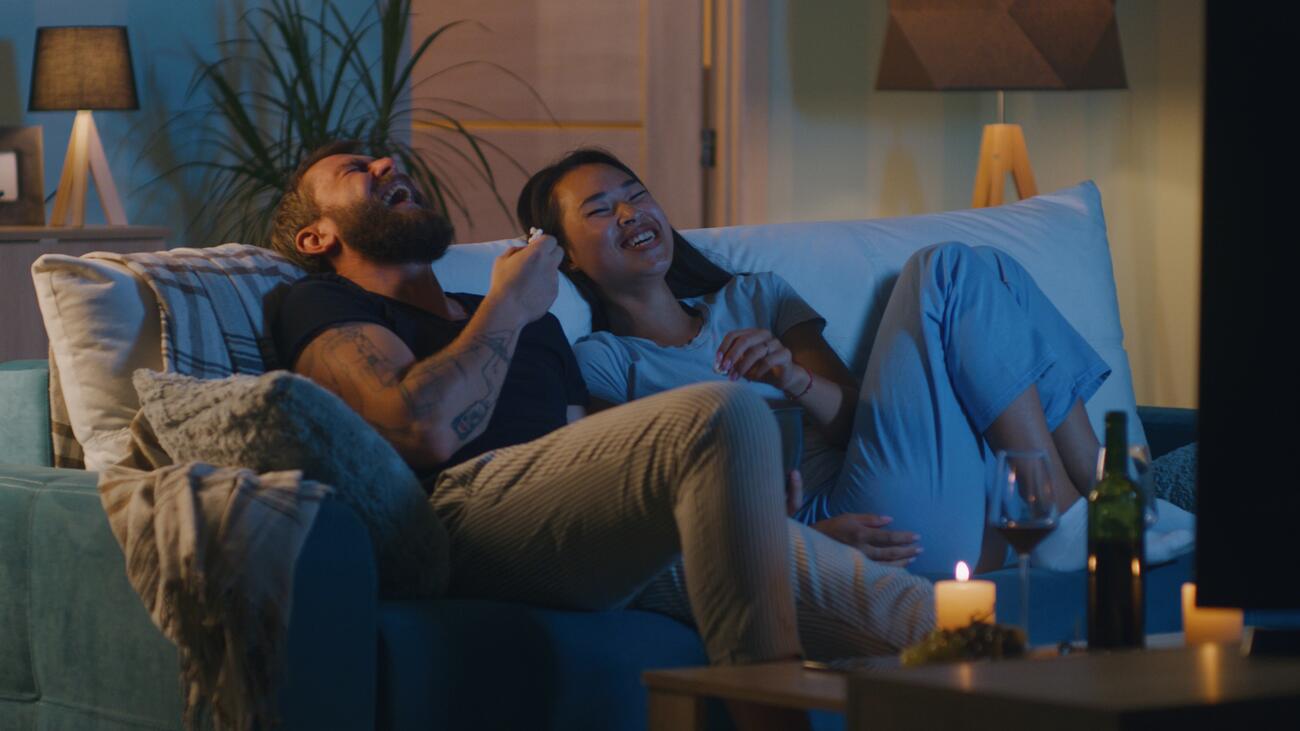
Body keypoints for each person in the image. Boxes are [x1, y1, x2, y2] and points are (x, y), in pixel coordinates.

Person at [264, 140, 934, 728]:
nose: (387, 163)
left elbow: (595, 445)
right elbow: (423, 428)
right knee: (724, 411)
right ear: (317, 238)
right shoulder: (325, 303)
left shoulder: (523, 318)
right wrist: (508, 305)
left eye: (389, 159)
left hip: (572, 518)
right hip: (458, 513)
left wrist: (738, 488)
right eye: (357, 169)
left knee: (929, 624)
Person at [516, 148, 1121, 576]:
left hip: (918, 486)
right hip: (846, 527)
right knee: (949, 268)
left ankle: (1096, 496)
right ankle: (1068, 517)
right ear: (564, 256)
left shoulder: (756, 296)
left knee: (990, 266)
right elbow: (626, 509)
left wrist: (794, 378)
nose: (629, 214)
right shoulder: (603, 363)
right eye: (598, 211)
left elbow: (859, 419)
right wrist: (797, 542)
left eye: (636, 194)